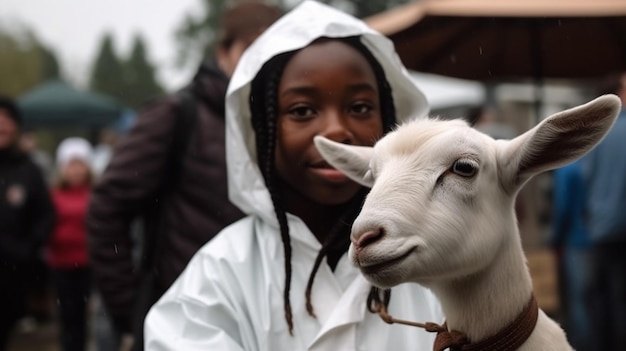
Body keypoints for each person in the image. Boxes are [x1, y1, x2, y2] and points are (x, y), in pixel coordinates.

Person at [144, 1, 443, 349]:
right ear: (262, 130)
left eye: (359, 107)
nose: (336, 130)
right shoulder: (217, 278)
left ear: (392, 121)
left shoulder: (439, 262)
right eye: (302, 110)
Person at [86, 2, 283, 350]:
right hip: (186, 322)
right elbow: (107, 207)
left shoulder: (280, 122)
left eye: (277, 49)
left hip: (268, 322)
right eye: (253, 46)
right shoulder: (177, 114)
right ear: (223, 50)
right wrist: (133, 311)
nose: (263, 59)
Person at [0, 95, 55, 350]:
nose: (2, 125)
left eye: (8, 120)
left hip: (12, 277)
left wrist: (27, 249)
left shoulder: (28, 169)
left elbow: (46, 215)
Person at [585, 72, 626, 351]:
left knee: (601, 299)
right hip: (623, 228)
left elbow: (585, 178)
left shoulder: (596, 133)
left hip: (599, 228)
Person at [46, 137, 94, 351]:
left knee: (85, 315)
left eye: (80, 164)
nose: (75, 171)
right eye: (71, 165)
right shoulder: (53, 195)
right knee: (68, 314)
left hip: (88, 263)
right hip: (61, 264)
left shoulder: (96, 194)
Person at [549, 158, 592, 350]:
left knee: (579, 303)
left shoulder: (566, 168)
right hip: (600, 238)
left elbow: (563, 208)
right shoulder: (592, 161)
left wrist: (555, 239)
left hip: (575, 240)